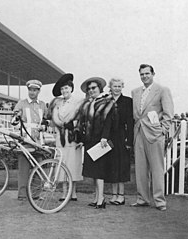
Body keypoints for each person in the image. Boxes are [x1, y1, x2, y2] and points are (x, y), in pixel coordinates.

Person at [131, 63, 174, 211]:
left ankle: (159, 201)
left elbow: (168, 114)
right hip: (138, 133)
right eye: (142, 74)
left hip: (155, 135)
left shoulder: (162, 90)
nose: (144, 76)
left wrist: (162, 130)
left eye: (147, 73)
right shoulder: (135, 92)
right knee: (140, 169)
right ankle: (142, 199)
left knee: (156, 169)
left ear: (153, 74)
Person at [76, 77, 114, 209]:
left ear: (100, 89)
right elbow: (83, 124)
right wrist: (81, 139)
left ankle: (101, 198)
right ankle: (97, 197)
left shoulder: (107, 102)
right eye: (89, 89)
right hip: (89, 140)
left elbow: (108, 122)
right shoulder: (87, 104)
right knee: (93, 172)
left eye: (94, 88)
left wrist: (104, 137)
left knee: (99, 171)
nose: (91, 90)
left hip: (100, 141)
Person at [48, 73, 84, 201]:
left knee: (73, 164)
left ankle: (73, 192)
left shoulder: (78, 103)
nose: (65, 91)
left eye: (67, 88)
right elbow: (53, 120)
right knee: (62, 163)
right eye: (62, 89)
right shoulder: (57, 103)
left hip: (73, 137)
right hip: (61, 138)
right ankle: (64, 192)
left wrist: (73, 125)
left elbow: (81, 120)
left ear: (71, 89)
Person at [11, 79, 48, 201]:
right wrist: (16, 118)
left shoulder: (42, 104)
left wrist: (44, 126)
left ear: (39, 91)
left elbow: (46, 121)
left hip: (38, 141)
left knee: (39, 166)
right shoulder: (21, 103)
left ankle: (36, 194)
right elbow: (14, 121)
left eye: (35, 90)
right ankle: (22, 195)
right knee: (23, 168)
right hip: (25, 140)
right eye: (30, 90)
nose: (32, 92)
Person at [106, 77, 134, 205]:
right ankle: (113, 194)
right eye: (114, 86)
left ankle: (121, 196)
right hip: (109, 136)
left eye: (119, 86)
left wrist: (129, 140)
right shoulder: (106, 100)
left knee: (122, 165)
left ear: (122, 87)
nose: (116, 88)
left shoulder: (128, 101)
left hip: (122, 135)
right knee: (111, 164)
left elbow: (130, 122)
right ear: (110, 87)